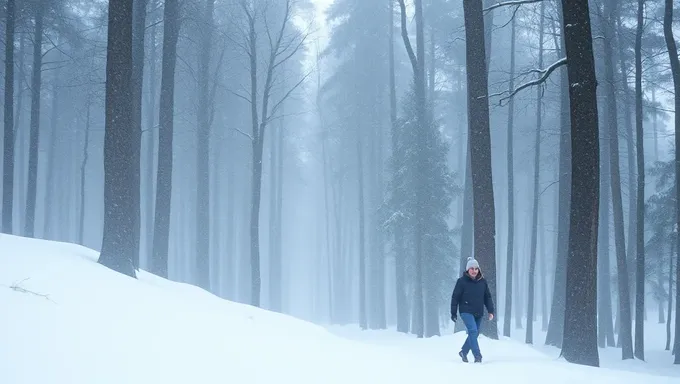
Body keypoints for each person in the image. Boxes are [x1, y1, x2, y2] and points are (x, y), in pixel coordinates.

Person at [450, 257, 495, 363]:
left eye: (476, 269)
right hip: (465, 310)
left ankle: (464, 352)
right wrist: (453, 312)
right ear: (467, 270)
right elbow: (455, 297)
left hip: (478, 312)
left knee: (475, 333)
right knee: (473, 330)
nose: (474, 271)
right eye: (472, 269)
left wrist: (491, 311)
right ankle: (477, 355)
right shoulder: (461, 282)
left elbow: (487, 297)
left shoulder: (482, 282)